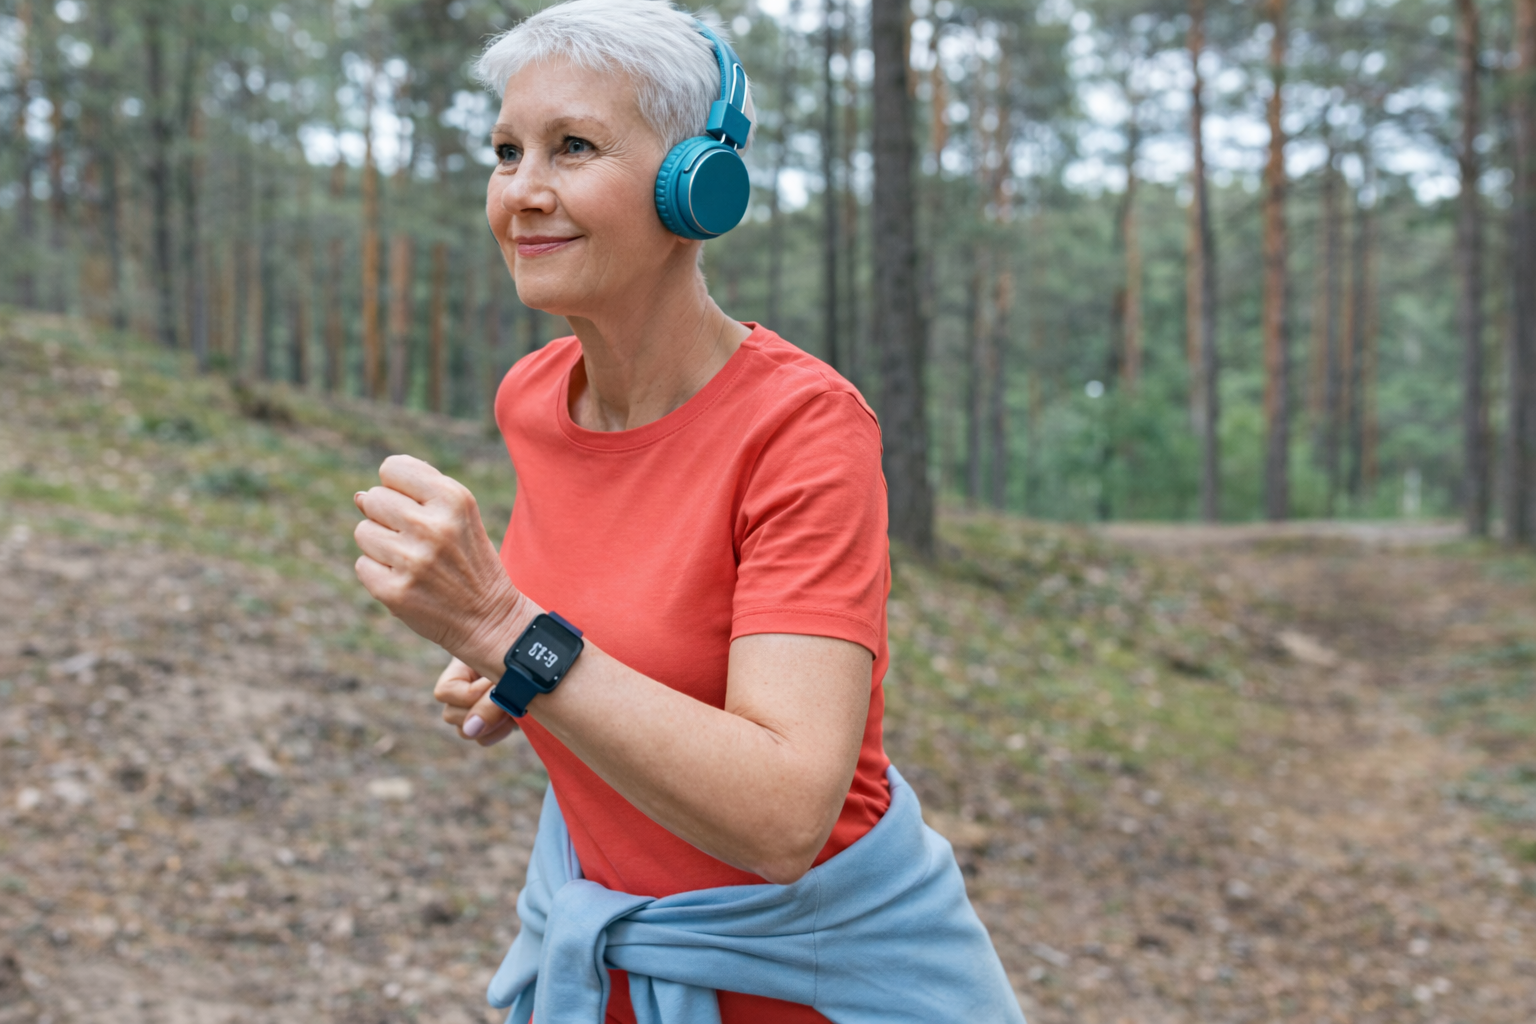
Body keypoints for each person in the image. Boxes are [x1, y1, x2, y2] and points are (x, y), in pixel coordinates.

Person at [349, 2, 1022, 1022]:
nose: (523, 191)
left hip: (813, 986)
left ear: (695, 183)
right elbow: (603, 635)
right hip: (604, 970)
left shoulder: (801, 428)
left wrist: (505, 630)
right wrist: (510, 677)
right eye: (506, 151)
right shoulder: (533, 398)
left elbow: (784, 819)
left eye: (573, 147)